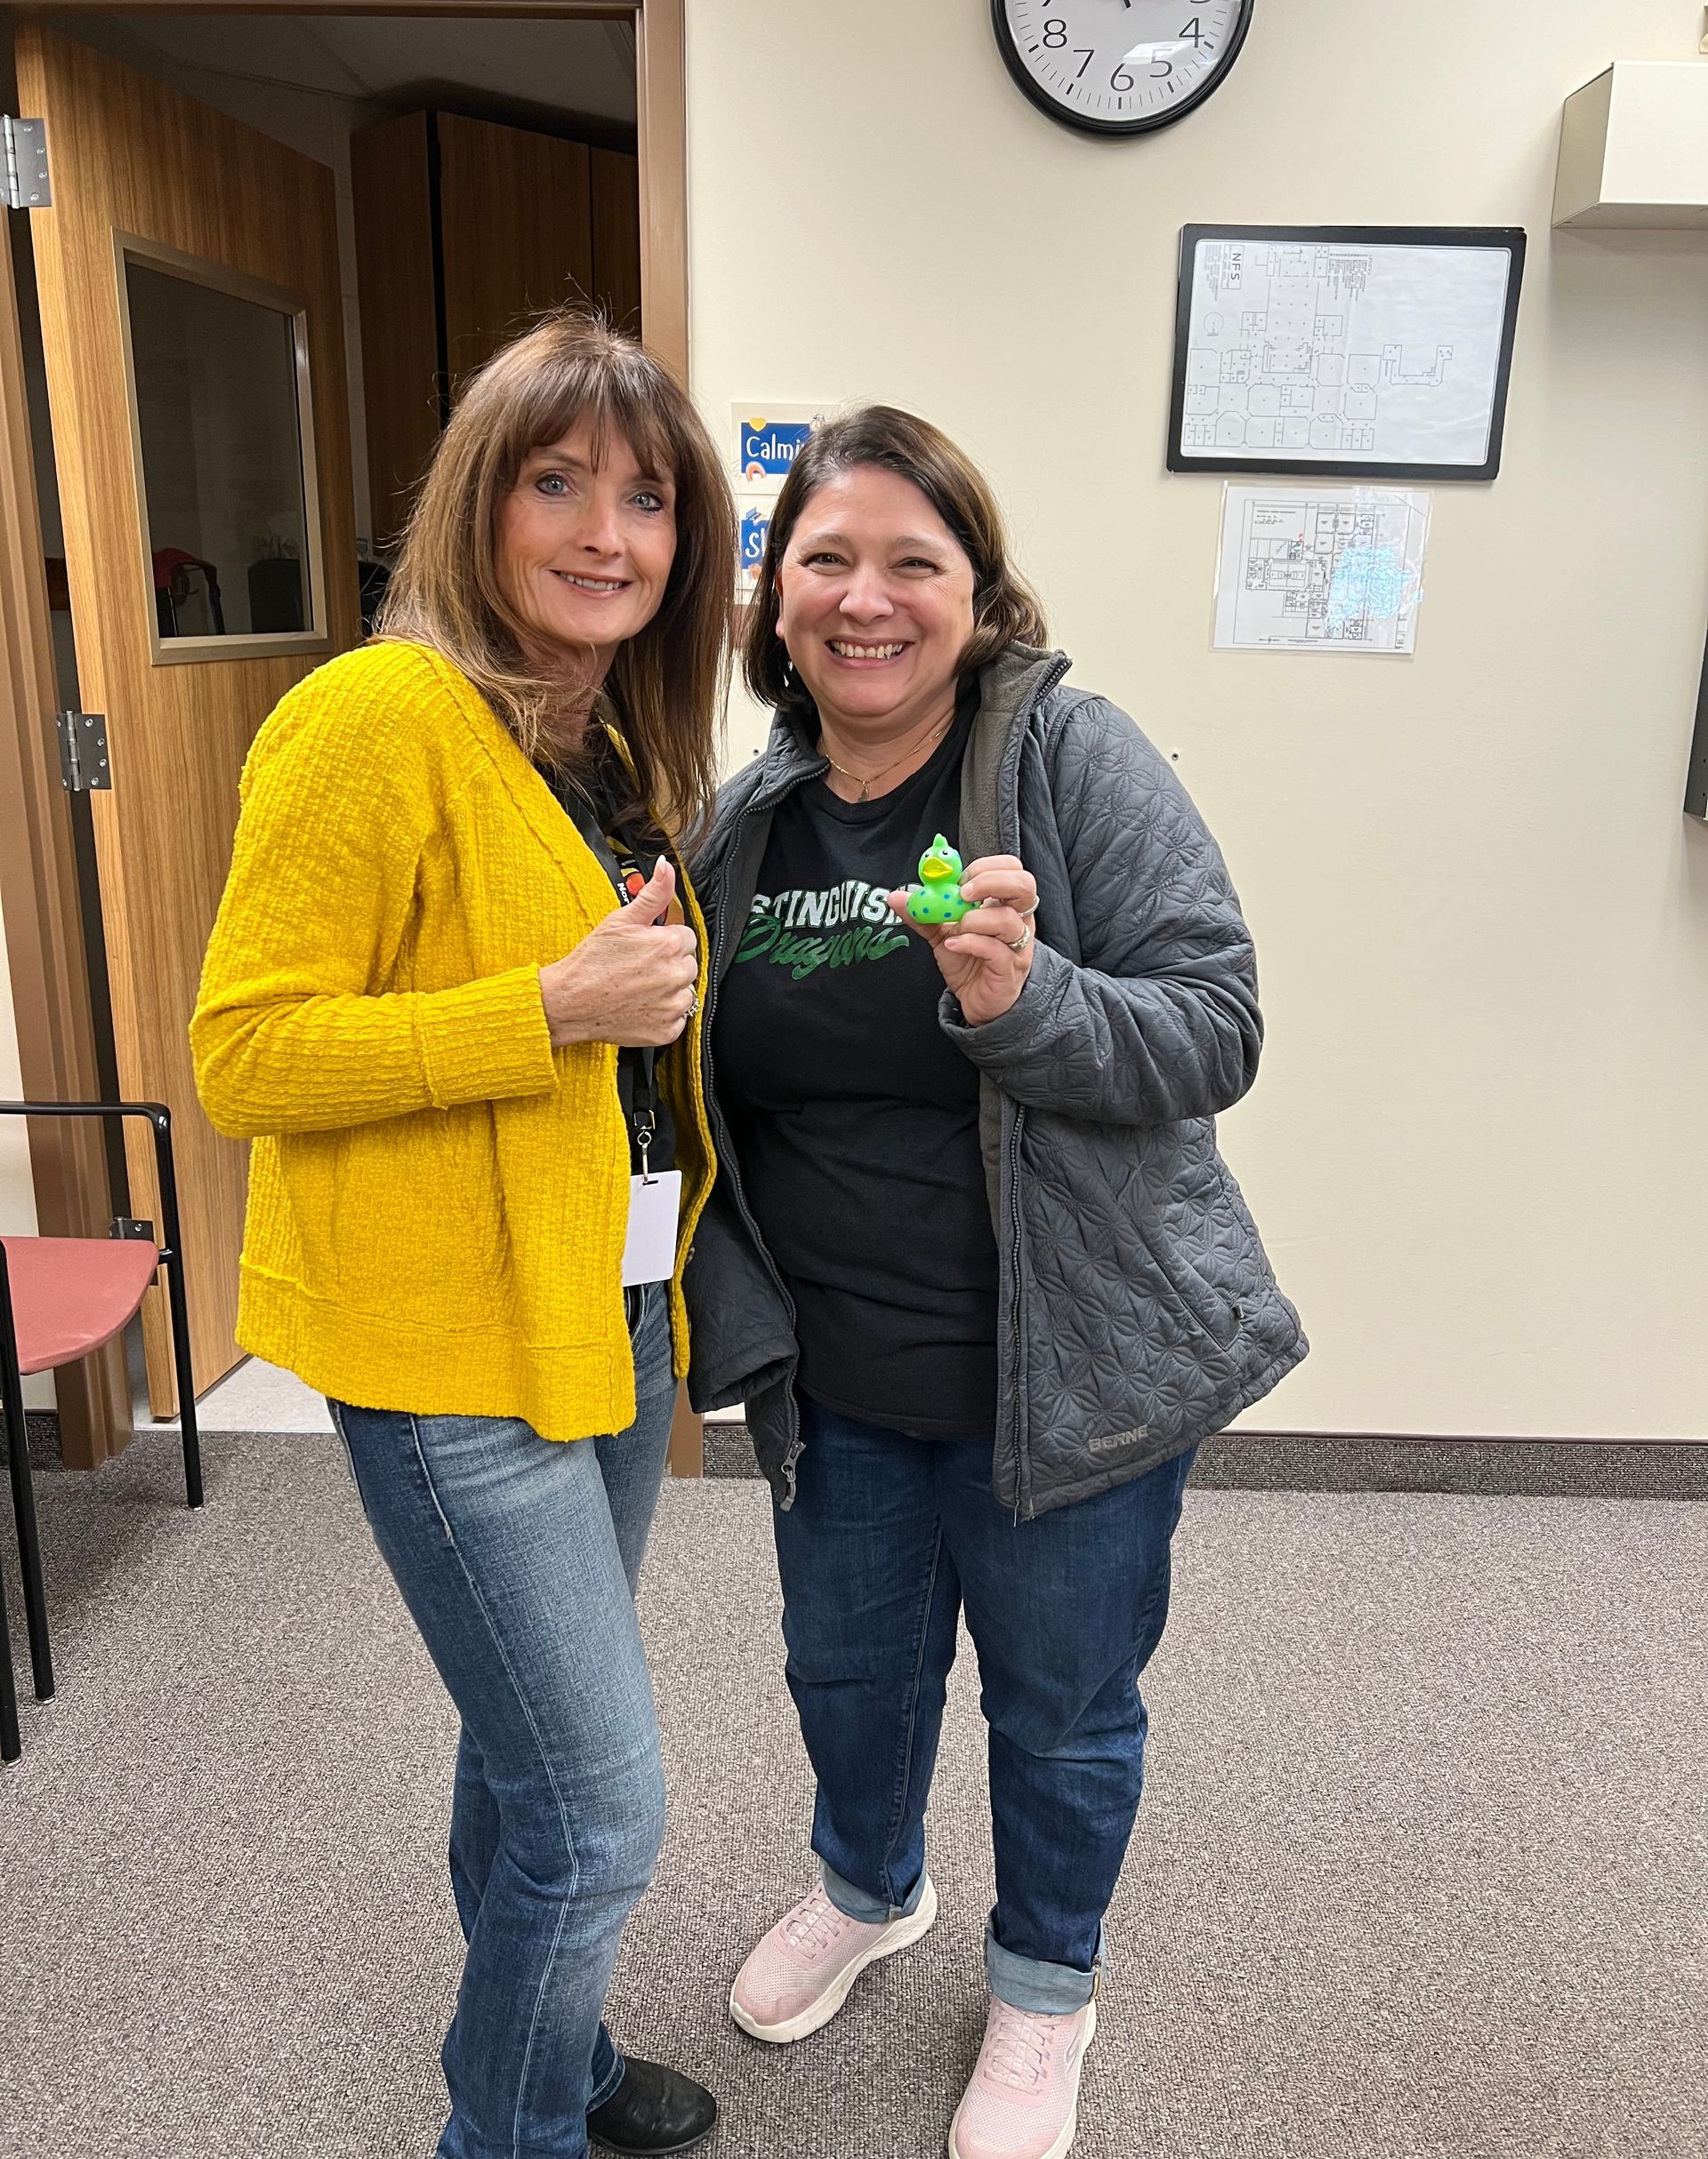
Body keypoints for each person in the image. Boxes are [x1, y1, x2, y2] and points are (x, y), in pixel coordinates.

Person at [686, 407, 1307, 2159]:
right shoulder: (754, 815)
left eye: (912, 561)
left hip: (1074, 1370)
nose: (865, 597)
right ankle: (871, 1885)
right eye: (827, 557)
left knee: (1061, 1708)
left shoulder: (1072, 761)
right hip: (836, 1378)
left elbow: (1216, 1023)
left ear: (977, 591)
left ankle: (1046, 1984)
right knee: (849, 1675)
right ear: (777, 593)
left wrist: (1023, 1005)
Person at [192, 313, 734, 2159]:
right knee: (602, 1805)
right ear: (477, 504)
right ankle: (503, 2132)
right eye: (558, 481)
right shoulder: (374, 712)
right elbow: (245, 1053)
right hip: (447, 1347)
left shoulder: (607, 744)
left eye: (648, 495)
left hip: (604, 1317)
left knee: (532, 1756)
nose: (608, 530)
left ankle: (561, 2059)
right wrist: (549, 1009)